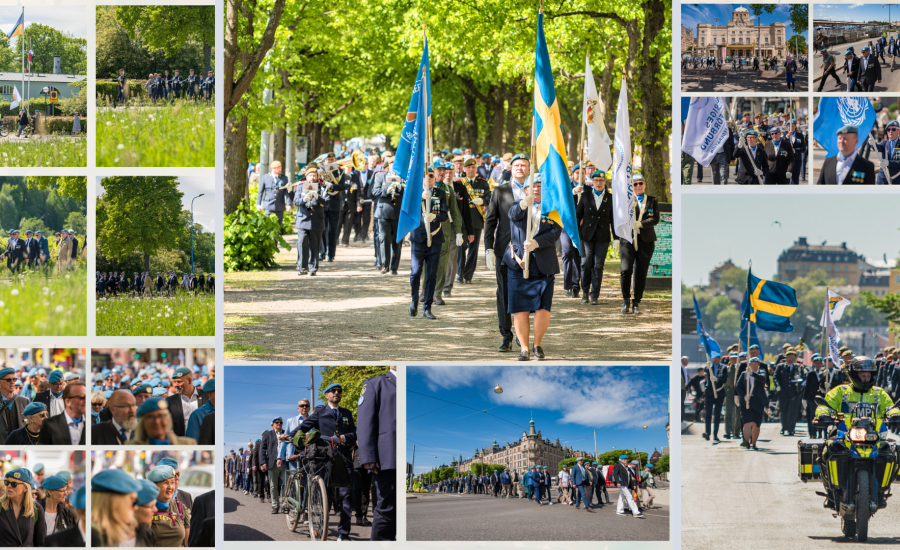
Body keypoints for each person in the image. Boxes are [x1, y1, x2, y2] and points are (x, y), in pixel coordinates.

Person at [503, 168, 562, 361]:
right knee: (520, 308)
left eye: (540, 186)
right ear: (526, 189)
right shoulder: (517, 205)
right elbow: (513, 215)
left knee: (543, 307)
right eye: (533, 186)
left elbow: (555, 232)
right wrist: (523, 205)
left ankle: (537, 344)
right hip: (519, 264)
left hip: (544, 264)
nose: (536, 189)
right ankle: (524, 348)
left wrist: (537, 242)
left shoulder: (552, 209)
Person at [293, 382, 357, 542]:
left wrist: (344, 438)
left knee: (346, 496)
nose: (336, 393)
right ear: (327, 395)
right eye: (333, 391)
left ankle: (344, 533)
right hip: (323, 458)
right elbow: (304, 426)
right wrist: (288, 436)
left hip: (343, 459)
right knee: (324, 496)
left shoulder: (347, 413)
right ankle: (321, 526)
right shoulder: (320, 412)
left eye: (339, 391)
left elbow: (355, 434)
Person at [484, 153, 528, 352]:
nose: (520, 168)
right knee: (504, 293)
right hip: (504, 249)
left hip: (528, 251)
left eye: (524, 165)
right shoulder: (500, 191)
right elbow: (490, 220)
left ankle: (522, 334)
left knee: (525, 293)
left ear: (529, 168)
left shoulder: (535, 190)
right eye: (517, 165)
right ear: (511, 168)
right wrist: (489, 248)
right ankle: (506, 336)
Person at [357, 367, 396, 540]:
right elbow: (365, 421)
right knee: (387, 510)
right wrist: (368, 456)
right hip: (387, 457)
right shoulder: (375, 383)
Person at [408, 167, 448, 320]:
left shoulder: (440, 194)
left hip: (435, 237)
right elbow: (408, 210)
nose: (429, 178)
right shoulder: (414, 193)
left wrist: (435, 216)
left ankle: (427, 307)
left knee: (431, 274)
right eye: (426, 176)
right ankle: (414, 300)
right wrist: (420, 198)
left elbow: (444, 214)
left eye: (431, 176)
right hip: (418, 237)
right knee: (415, 272)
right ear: (422, 179)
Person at [618, 173, 659, 314]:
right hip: (628, 240)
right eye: (635, 184)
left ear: (645, 185)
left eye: (640, 183)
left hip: (645, 241)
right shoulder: (626, 200)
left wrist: (641, 224)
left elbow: (655, 219)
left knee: (640, 273)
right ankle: (626, 300)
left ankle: (636, 302)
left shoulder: (652, 200)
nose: (638, 186)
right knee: (625, 270)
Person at [576, 169, 614, 304]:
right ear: (592, 181)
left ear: (605, 182)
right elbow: (578, 216)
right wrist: (576, 234)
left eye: (601, 180)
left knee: (598, 266)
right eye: (596, 180)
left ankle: (594, 295)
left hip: (602, 237)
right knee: (586, 264)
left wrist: (616, 238)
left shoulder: (610, 198)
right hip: (586, 235)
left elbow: (613, 219)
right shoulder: (585, 196)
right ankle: (585, 291)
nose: (598, 183)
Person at [458, 158, 491, 284]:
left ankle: (468, 275)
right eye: (468, 167)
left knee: (473, 249)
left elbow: (489, 197)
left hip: (476, 220)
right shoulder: (459, 183)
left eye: (473, 167)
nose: (471, 169)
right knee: (461, 248)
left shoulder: (482, 183)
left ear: (476, 169)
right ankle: (460, 273)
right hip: (462, 220)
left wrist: (482, 201)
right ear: (464, 169)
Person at [90, 469, 141, 547]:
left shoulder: (122, 532)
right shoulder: (92, 538)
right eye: (133, 502)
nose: (136, 508)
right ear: (114, 504)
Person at [294, 164, 328, 275]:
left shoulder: (322, 187)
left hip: (316, 220)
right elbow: (296, 201)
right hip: (303, 220)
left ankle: (313, 268)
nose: (312, 178)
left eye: (314, 175)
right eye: (310, 176)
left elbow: (327, 202)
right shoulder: (300, 186)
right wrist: (304, 199)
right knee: (302, 243)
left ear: (317, 177)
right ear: (306, 177)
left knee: (315, 245)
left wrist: (318, 197)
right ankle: (303, 267)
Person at [0, 468, 45, 546]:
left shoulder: (36, 509)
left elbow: (40, 542)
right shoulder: (1, 505)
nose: (9, 486)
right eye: (7, 482)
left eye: (14, 484)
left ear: (25, 488)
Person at [148, 465, 191, 547]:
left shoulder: (180, 507)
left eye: (172, 482)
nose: (170, 487)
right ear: (154, 486)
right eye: (165, 483)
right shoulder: (145, 508)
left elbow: (187, 544)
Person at [126, 397, 197, 445]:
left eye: (161, 416)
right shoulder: (130, 446)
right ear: (143, 422)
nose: (157, 422)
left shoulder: (189, 443)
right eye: (150, 417)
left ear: (168, 418)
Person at [165, 366, 209, 438]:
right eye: (174, 382)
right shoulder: (170, 401)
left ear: (189, 381)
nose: (175, 385)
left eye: (179, 381)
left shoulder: (206, 396)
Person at [37, 381, 85, 445]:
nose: (86, 400)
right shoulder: (50, 425)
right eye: (82, 397)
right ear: (67, 402)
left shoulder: (92, 424)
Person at [259, 417, 285, 513]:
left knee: (286, 485)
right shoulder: (268, 434)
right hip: (272, 463)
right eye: (276, 422)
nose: (279, 424)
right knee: (273, 486)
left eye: (280, 422)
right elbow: (262, 449)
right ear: (273, 424)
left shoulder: (286, 433)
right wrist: (263, 462)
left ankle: (285, 505)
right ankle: (275, 506)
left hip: (284, 463)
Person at [256, 160, 290, 231]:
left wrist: (289, 204)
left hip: (280, 206)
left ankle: (276, 238)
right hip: (268, 205)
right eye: (279, 168)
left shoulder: (284, 178)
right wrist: (258, 204)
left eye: (280, 167)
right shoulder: (265, 177)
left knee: (278, 227)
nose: (280, 169)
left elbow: (287, 192)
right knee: (268, 227)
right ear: (273, 169)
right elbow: (260, 192)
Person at [702, 356, 727, 441]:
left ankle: (715, 434)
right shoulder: (709, 366)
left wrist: (717, 380)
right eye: (713, 358)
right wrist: (707, 367)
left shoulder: (723, 367)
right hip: (709, 393)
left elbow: (724, 379)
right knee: (708, 413)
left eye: (717, 358)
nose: (715, 359)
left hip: (719, 392)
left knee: (717, 414)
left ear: (720, 358)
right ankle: (707, 433)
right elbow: (706, 375)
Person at [133, 479, 159, 546]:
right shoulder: (109, 538)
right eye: (151, 506)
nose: (156, 510)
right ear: (134, 507)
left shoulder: (148, 533)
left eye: (155, 505)